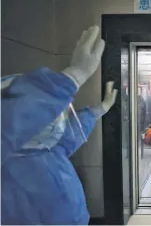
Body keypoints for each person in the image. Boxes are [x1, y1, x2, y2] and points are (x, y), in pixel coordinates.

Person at [1, 26, 118, 225]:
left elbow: (68, 137)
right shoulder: (8, 160)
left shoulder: (48, 151)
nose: (56, 120)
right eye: (47, 113)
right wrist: (70, 79)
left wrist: (99, 110)